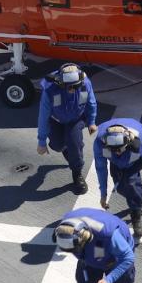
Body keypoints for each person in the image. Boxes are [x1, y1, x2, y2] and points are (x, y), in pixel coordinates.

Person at [93, 117, 142, 241]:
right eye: (114, 150)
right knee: (121, 188)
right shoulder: (99, 144)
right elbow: (101, 168)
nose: (117, 153)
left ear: (128, 141)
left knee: (131, 186)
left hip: (133, 163)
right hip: (116, 165)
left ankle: (136, 218)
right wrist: (103, 194)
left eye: (120, 149)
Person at [36, 63, 98, 194]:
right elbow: (43, 116)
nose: (71, 90)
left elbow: (91, 103)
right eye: (67, 87)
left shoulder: (85, 84)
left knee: (74, 142)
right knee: (57, 146)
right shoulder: (50, 90)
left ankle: (77, 174)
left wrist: (91, 122)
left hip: (76, 119)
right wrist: (41, 142)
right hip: (56, 120)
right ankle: (66, 149)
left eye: (75, 86)